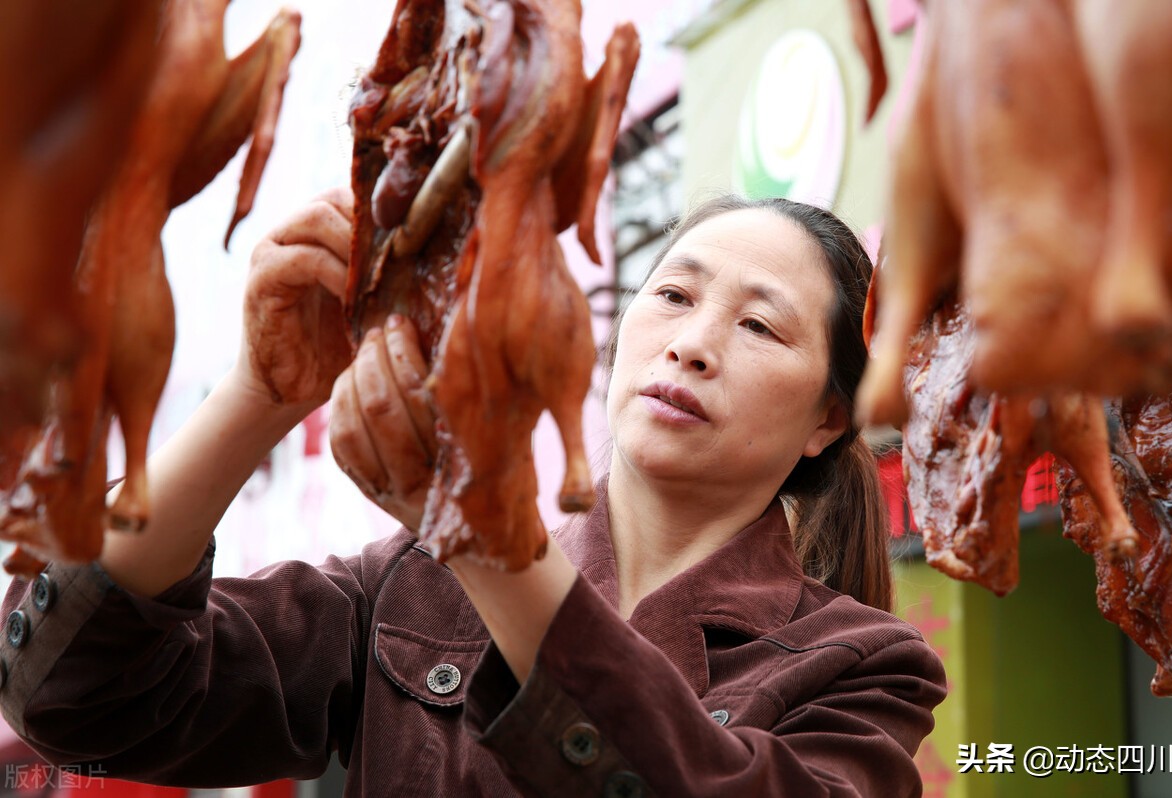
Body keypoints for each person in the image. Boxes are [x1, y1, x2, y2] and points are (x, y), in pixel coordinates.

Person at [0, 189, 946, 796]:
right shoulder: (406, 591)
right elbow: (79, 695)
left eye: (759, 327)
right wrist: (259, 396)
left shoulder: (864, 668)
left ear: (829, 418)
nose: (692, 342)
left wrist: (489, 546)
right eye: (672, 296)